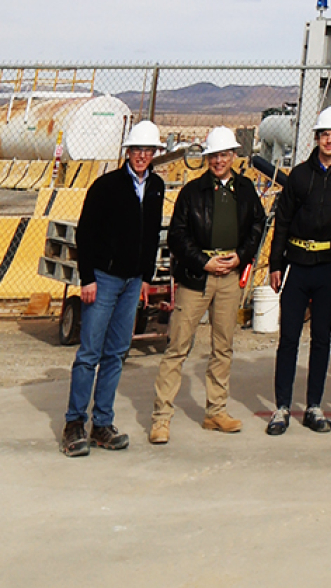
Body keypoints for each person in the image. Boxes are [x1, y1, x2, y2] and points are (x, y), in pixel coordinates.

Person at [150, 127, 264, 445]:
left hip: (229, 277)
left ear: (233, 157)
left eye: (224, 155)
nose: (218, 160)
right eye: (213, 155)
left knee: (223, 346)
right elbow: (177, 235)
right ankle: (161, 418)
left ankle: (216, 411)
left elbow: (257, 223)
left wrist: (240, 256)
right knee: (178, 346)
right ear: (206, 158)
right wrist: (203, 261)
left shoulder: (245, 189)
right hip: (197, 278)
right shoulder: (192, 192)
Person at [63, 119, 166, 456]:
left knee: (117, 353)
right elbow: (86, 233)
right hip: (104, 280)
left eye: (147, 151)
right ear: (128, 152)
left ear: (153, 154)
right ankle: (74, 423)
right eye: (137, 150)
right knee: (89, 352)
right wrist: (87, 278)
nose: (141, 156)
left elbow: (151, 236)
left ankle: (102, 423)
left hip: (133, 281)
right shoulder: (106, 186)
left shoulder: (156, 187)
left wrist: (146, 279)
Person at [266, 104, 331, 436]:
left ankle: (314, 406)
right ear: (317, 138)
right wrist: (276, 264)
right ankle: (281, 407)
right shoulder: (300, 176)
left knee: (321, 339)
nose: (330, 140)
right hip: (298, 266)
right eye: (325, 134)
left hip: (329, 269)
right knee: (289, 338)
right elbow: (283, 221)